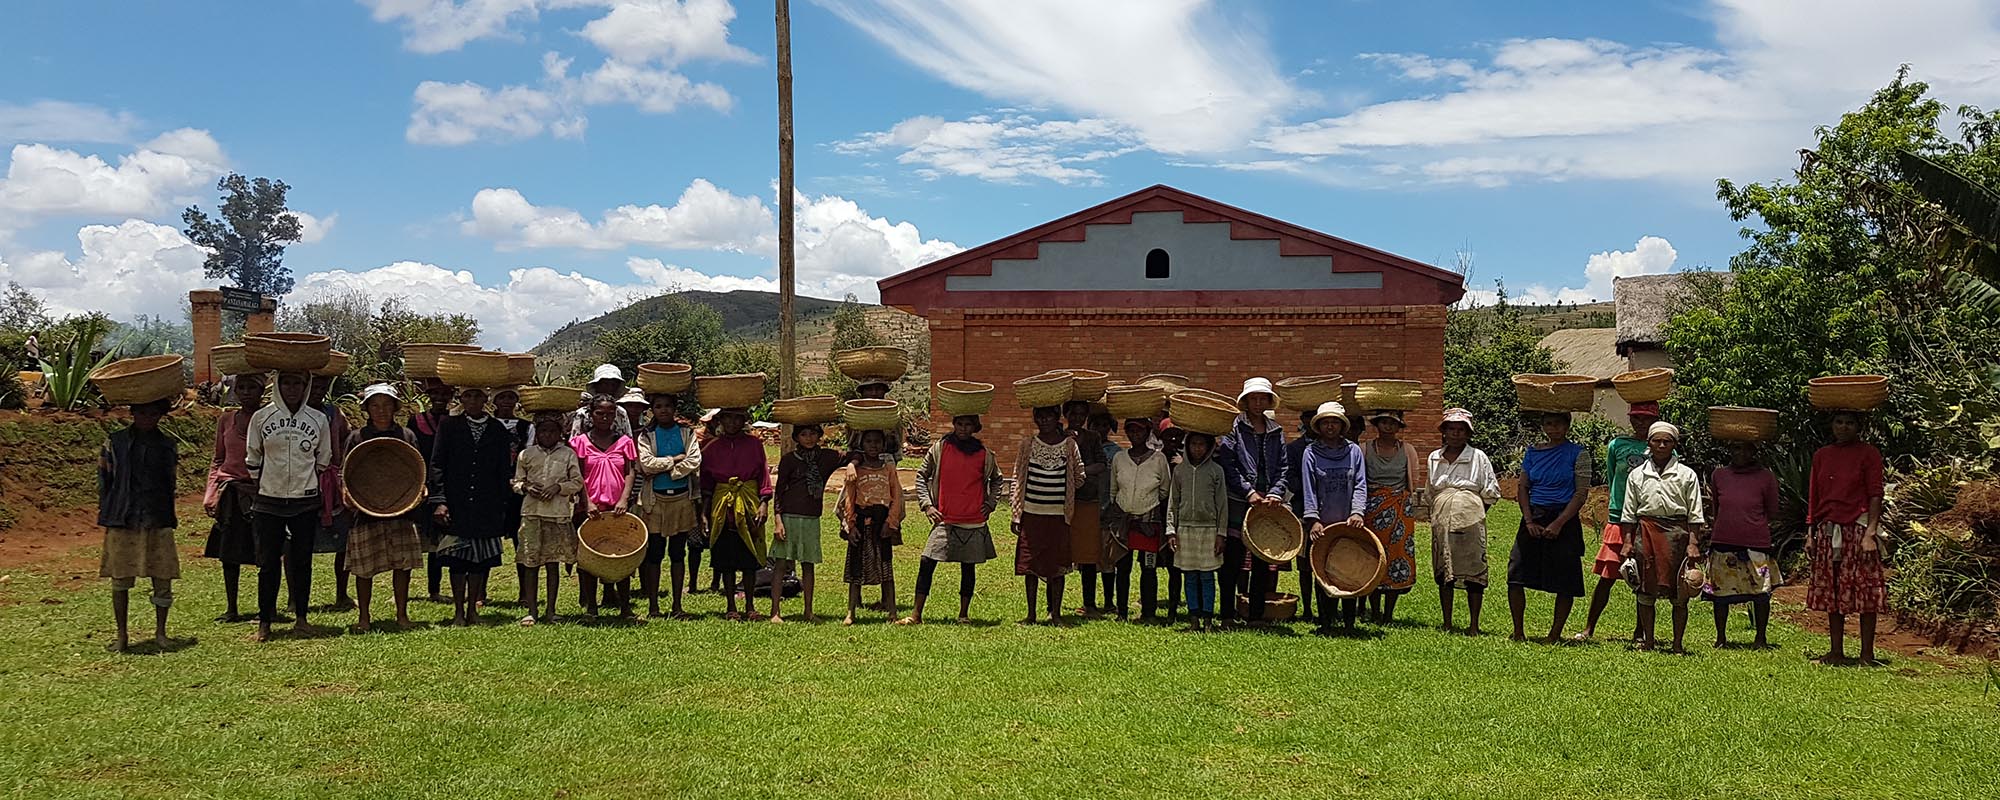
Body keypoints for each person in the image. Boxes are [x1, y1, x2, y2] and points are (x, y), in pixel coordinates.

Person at [246, 370, 334, 642]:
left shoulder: (318, 419)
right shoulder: (262, 418)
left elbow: (323, 459)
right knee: (267, 563)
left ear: (306, 386)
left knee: (302, 562)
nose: (292, 389)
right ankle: (265, 622)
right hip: (268, 501)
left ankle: (302, 618)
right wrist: (265, 485)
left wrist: (306, 483)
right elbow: (253, 457)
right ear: (277, 385)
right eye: (287, 382)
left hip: (305, 500)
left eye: (298, 383)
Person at [428, 386, 517, 626]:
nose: (473, 400)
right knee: (457, 559)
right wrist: (440, 501)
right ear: (461, 399)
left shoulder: (497, 429)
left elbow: (503, 469)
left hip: (486, 503)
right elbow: (437, 464)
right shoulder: (448, 426)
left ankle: (473, 610)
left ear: (486, 399)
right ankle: (458, 611)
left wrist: (501, 504)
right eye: (468, 395)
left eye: (478, 396)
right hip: (456, 502)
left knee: (479, 560)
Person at [98, 398, 179, 652]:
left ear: (160, 416)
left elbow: (170, 482)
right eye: (142, 412)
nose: (147, 418)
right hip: (123, 517)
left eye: (153, 413)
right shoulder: (114, 442)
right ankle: (122, 635)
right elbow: (105, 480)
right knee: (120, 579)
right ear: (133, 413)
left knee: (163, 577)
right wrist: (111, 509)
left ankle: (161, 633)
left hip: (158, 516)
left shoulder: (168, 445)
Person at [1807, 410, 1888, 665]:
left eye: (1849, 423)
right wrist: (1811, 533)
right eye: (1839, 422)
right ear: (1832, 425)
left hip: (1858, 528)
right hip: (1828, 529)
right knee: (1832, 591)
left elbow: (1876, 493)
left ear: (1858, 427)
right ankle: (1836, 651)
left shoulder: (1869, 454)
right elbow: (1814, 497)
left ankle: (1867, 654)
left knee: (1865, 591)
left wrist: (1871, 533)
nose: (1843, 427)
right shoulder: (1822, 456)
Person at [343, 384, 425, 632]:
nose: (381, 410)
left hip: (402, 508)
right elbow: (344, 472)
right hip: (365, 510)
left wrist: (421, 489)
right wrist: (345, 492)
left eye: (386, 404)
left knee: (402, 565)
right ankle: (364, 618)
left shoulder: (407, 436)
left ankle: (402, 615)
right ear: (367, 409)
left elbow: (417, 469)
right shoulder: (357, 438)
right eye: (375, 405)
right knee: (364, 568)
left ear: (395, 408)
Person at [1577, 403, 1661, 641]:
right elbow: (1613, 475)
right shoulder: (1617, 445)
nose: (1640, 422)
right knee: (1608, 574)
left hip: (1647, 518)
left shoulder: (1662, 447)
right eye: (1636, 417)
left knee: (1643, 577)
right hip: (1618, 517)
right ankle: (1589, 627)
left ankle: (1640, 631)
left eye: (1646, 418)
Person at [908, 414, 1002, 625]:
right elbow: (921, 475)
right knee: (927, 561)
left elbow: (997, 479)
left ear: (975, 427)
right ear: (954, 424)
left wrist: (990, 504)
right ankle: (916, 614)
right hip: (945, 519)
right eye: (959, 424)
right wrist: (927, 505)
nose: (963, 428)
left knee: (968, 566)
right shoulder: (940, 448)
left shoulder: (984, 454)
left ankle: (963, 614)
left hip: (973, 521)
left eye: (968, 424)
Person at [1620, 421, 1705, 653]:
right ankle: (1648, 641)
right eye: (1657, 440)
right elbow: (1628, 512)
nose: (1661, 445)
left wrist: (1693, 543)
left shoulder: (1687, 475)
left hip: (1677, 535)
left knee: (1681, 590)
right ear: (1649, 443)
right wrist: (1627, 542)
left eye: (1667, 441)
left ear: (1674, 445)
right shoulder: (1637, 475)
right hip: (1646, 532)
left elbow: (1695, 512)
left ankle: (1677, 644)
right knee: (1645, 590)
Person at [1508, 411, 1590, 643]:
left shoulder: (1578, 454)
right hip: (1535, 514)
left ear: (1567, 426)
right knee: (1516, 573)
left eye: (1558, 424)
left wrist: (1558, 523)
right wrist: (1529, 520)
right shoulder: (1532, 453)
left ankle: (1554, 634)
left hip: (1564, 517)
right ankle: (1518, 632)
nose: (1553, 429)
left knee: (1566, 578)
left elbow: (1581, 492)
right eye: (1548, 424)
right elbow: (1523, 487)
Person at [1217, 378, 1289, 626]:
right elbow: (1228, 464)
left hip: (1268, 503)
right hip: (1239, 500)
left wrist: (1275, 493)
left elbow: (1283, 467)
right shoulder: (1233, 429)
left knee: (1262, 558)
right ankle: (1227, 613)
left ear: (1268, 401)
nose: (1258, 403)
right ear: (1245, 401)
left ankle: (1256, 615)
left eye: (1262, 398)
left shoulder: (1276, 431)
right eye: (1253, 398)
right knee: (1233, 560)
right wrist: (1249, 492)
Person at [1428, 409, 1500, 635]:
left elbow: (1490, 491)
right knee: (1444, 568)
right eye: (1451, 429)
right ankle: (1447, 622)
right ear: (1444, 432)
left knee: (1473, 569)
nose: (1455, 434)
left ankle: (1474, 624)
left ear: (1468, 433)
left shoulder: (1478, 457)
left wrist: (1473, 512)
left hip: (1471, 517)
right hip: (1441, 518)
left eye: (1461, 430)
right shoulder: (1434, 457)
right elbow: (1431, 491)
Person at [1299, 402, 1369, 634]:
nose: (1330, 426)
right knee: (1323, 571)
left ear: (1342, 426)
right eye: (1326, 422)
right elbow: (1308, 488)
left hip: (1348, 523)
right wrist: (1313, 519)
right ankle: (1326, 621)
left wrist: (1357, 512)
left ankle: (1349, 623)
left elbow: (1360, 484)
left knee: (1349, 569)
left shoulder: (1354, 452)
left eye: (1335, 422)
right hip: (1322, 524)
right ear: (1318, 426)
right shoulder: (1310, 453)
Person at [202, 372, 266, 622]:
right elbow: (218, 458)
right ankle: (232, 608)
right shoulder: (226, 419)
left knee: (266, 552)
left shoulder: (268, 418)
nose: (247, 392)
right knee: (228, 553)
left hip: (261, 490)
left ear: (262, 391)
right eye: (242, 387)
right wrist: (210, 493)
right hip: (230, 490)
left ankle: (266, 608)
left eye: (252, 387)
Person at [1706, 440, 1782, 648]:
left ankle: (1761, 638)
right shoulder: (1719, 475)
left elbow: (1772, 510)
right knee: (1720, 594)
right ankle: (1721, 637)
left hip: (1756, 542)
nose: (1740, 453)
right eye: (1736, 448)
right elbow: (1716, 507)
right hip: (1723, 540)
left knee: (1761, 592)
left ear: (1754, 451)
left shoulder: (1766, 477)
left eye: (1746, 448)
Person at [1013, 405, 1083, 625]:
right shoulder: (1028, 445)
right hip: (1032, 514)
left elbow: (1079, 474)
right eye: (1040, 417)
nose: (1044, 421)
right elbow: (1018, 477)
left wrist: (1066, 491)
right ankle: (1031, 614)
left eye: (1049, 417)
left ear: (1056, 418)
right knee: (1030, 566)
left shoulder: (1069, 445)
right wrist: (1016, 514)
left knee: (1057, 566)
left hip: (1058, 516)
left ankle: (1056, 613)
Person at [701, 407, 773, 621]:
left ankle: (750, 605)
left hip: (749, 503)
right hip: (722, 505)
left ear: (744, 421)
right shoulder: (710, 448)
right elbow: (706, 484)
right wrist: (704, 514)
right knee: (726, 559)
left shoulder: (755, 444)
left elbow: (763, 475)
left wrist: (764, 503)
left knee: (749, 558)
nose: (732, 423)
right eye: (728, 418)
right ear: (720, 420)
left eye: (737, 418)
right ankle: (731, 605)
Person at [636, 391, 702, 619]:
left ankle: (677, 606)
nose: (663, 410)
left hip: (682, 498)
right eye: (658, 406)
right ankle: (653, 606)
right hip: (654, 500)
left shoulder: (686, 433)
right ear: (652, 410)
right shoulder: (646, 435)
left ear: (675, 409)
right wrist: (674, 460)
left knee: (677, 553)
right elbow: (646, 464)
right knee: (654, 554)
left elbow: (694, 460)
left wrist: (668, 471)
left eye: (667, 406)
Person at [514, 410, 583, 625]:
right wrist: (526, 487)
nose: (547, 435)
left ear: (560, 433)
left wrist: (558, 487)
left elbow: (577, 482)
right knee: (531, 562)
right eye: (543, 431)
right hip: (532, 513)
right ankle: (532, 610)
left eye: (552, 431)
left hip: (557, 514)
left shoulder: (567, 454)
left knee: (553, 563)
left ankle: (551, 610)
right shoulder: (527, 454)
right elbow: (516, 482)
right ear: (537, 433)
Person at [572, 395, 638, 618]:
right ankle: (591, 606)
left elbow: (630, 471)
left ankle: (625, 606)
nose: (605, 417)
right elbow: (578, 474)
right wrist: (586, 501)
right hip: (590, 509)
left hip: (617, 508)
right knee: (590, 556)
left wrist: (624, 499)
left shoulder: (624, 442)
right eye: (600, 413)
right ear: (591, 415)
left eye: (610, 413)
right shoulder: (580, 442)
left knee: (620, 553)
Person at [771, 423, 841, 622]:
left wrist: (852, 464)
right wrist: (778, 520)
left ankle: (808, 611)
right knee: (781, 564)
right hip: (789, 517)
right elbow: (780, 491)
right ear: (796, 437)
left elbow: (855, 454)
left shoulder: (826, 457)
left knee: (808, 565)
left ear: (819, 435)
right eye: (804, 434)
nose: (809, 438)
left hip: (811, 518)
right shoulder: (789, 460)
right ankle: (775, 611)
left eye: (812, 434)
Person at [838, 429, 904, 624]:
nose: (873, 445)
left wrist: (891, 523)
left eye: (877, 442)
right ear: (862, 445)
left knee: (886, 567)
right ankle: (851, 612)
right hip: (860, 520)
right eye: (868, 441)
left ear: (883, 445)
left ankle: (892, 611)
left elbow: (896, 497)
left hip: (881, 521)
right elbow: (849, 498)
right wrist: (850, 525)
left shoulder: (889, 469)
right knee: (855, 568)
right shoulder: (856, 471)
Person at [1110, 418, 1172, 622]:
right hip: (1124, 522)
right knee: (1123, 568)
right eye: (1131, 430)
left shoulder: (1159, 459)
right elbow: (1113, 489)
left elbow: (1164, 491)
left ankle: (1149, 613)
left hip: (1148, 522)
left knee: (1148, 568)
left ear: (1148, 433)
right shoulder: (1119, 458)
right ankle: (1122, 612)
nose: (1135, 434)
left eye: (1140, 430)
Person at [1363, 410, 1422, 623]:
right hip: (1372, 510)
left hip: (1399, 509)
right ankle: (1375, 610)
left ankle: (1389, 613)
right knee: (1373, 557)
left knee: (1397, 557)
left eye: (1392, 423)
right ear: (1377, 425)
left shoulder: (1407, 450)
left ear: (1399, 427)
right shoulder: (1365, 449)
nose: (1388, 427)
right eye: (1384, 423)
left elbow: (1413, 482)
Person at [1168, 431, 1228, 631]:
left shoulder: (1216, 471)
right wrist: (1171, 529)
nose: (1197, 448)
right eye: (1193, 444)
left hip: (1209, 529)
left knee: (1207, 576)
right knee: (1190, 575)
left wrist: (1221, 533)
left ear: (1209, 446)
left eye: (1202, 444)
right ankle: (1194, 619)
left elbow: (1222, 504)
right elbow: (1173, 502)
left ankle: (1208, 620)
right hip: (1185, 529)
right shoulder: (1179, 471)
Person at [306, 373, 353, 611]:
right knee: (298, 542)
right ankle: (297, 598)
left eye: (323, 385)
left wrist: (340, 469)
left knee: (342, 539)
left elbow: (348, 438)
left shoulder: (334, 413)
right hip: (301, 482)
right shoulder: (295, 414)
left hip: (332, 483)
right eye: (314, 385)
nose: (318, 390)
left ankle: (342, 594)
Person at [407, 377, 456, 603]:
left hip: (446, 486)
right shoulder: (415, 422)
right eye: (435, 394)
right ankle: (403, 590)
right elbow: (409, 454)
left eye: (444, 395)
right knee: (412, 537)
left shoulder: (455, 422)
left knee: (439, 540)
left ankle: (434, 589)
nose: (439, 399)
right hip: (420, 486)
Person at [1064, 399, 1112, 616]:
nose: (1077, 418)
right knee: (1061, 554)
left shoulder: (1092, 438)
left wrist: (1080, 472)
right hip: (1061, 502)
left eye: (1082, 414)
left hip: (1088, 501)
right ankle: (1054, 605)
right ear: (1066, 415)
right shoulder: (1058, 437)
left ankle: (1089, 603)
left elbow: (1102, 464)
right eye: (1073, 413)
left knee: (1089, 555)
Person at [491, 387, 533, 608]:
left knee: (521, 539)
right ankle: (479, 592)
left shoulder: (527, 427)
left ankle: (524, 591)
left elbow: (530, 457)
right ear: (494, 401)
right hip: (490, 490)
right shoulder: (486, 425)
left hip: (518, 491)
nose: (506, 401)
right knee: (487, 537)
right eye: (502, 397)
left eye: (511, 397)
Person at [1281, 408, 1319, 620]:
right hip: (1303, 510)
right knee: (1305, 566)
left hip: (1328, 510)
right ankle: (1307, 608)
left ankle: (1327, 607)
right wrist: (1309, 488)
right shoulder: (1294, 449)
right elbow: (1290, 478)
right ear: (1303, 420)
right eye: (1308, 417)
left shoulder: (1331, 448)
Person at [570, 364, 634, 438]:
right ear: (597, 386)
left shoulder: (621, 413)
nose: (609, 388)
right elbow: (575, 441)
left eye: (613, 385)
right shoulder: (582, 413)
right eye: (605, 384)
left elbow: (627, 439)